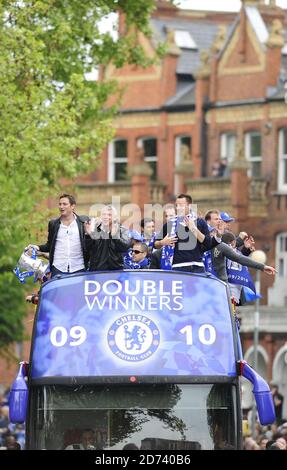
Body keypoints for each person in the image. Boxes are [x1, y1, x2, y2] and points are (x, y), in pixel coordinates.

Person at [27, 194, 90, 277]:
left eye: (64, 204)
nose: (61, 207)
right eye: (60, 204)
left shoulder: (83, 222)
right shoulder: (53, 224)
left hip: (79, 268)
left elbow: (90, 245)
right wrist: (37, 247)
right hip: (58, 269)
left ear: (72, 206)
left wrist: (89, 234)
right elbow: (49, 246)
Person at [85, 205, 130, 271]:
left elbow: (125, 248)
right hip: (96, 272)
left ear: (115, 217)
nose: (106, 217)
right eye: (104, 214)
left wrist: (115, 237)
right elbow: (87, 249)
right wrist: (88, 235)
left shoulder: (122, 230)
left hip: (115, 271)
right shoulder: (95, 230)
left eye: (109, 215)